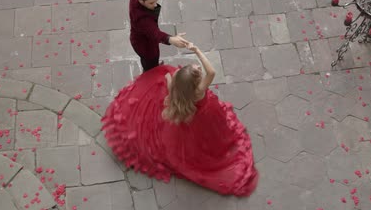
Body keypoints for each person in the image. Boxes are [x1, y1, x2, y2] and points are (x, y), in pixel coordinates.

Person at [101, 43, 259, 196]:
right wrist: (197, 51)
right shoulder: (199, 91)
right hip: (207, 117)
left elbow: (170, 81)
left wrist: (168, 77)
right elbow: (211, 72)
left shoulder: (177, 92)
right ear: (197, 83)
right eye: (196, 70)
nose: (197, 67)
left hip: (190, 121)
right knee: (211, 136)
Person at [129, 0, 190, 71]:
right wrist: (171, 39)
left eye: (156, 0)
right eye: (151, 3)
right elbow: (155, 33)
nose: (155, 5)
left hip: (141, 37)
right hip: (145, 46)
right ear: (141, 0)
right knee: (150, 65)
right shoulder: (142, 19)